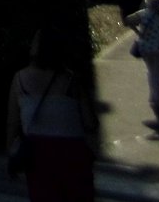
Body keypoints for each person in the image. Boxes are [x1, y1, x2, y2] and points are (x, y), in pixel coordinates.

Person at [5, 26, 98, 202]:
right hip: (73, 153)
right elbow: (90, 122)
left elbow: (12, 123)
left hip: (38, 154)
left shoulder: (20, 80)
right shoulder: (71, 80)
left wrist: (12, 155)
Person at [126, 0, 159, 124]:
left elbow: (127, 20)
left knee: (151, 71)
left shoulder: (142, 14)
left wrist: (137, 32)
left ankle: (153, 97)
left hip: (145, 49)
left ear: (147, 3)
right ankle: (157, 100)